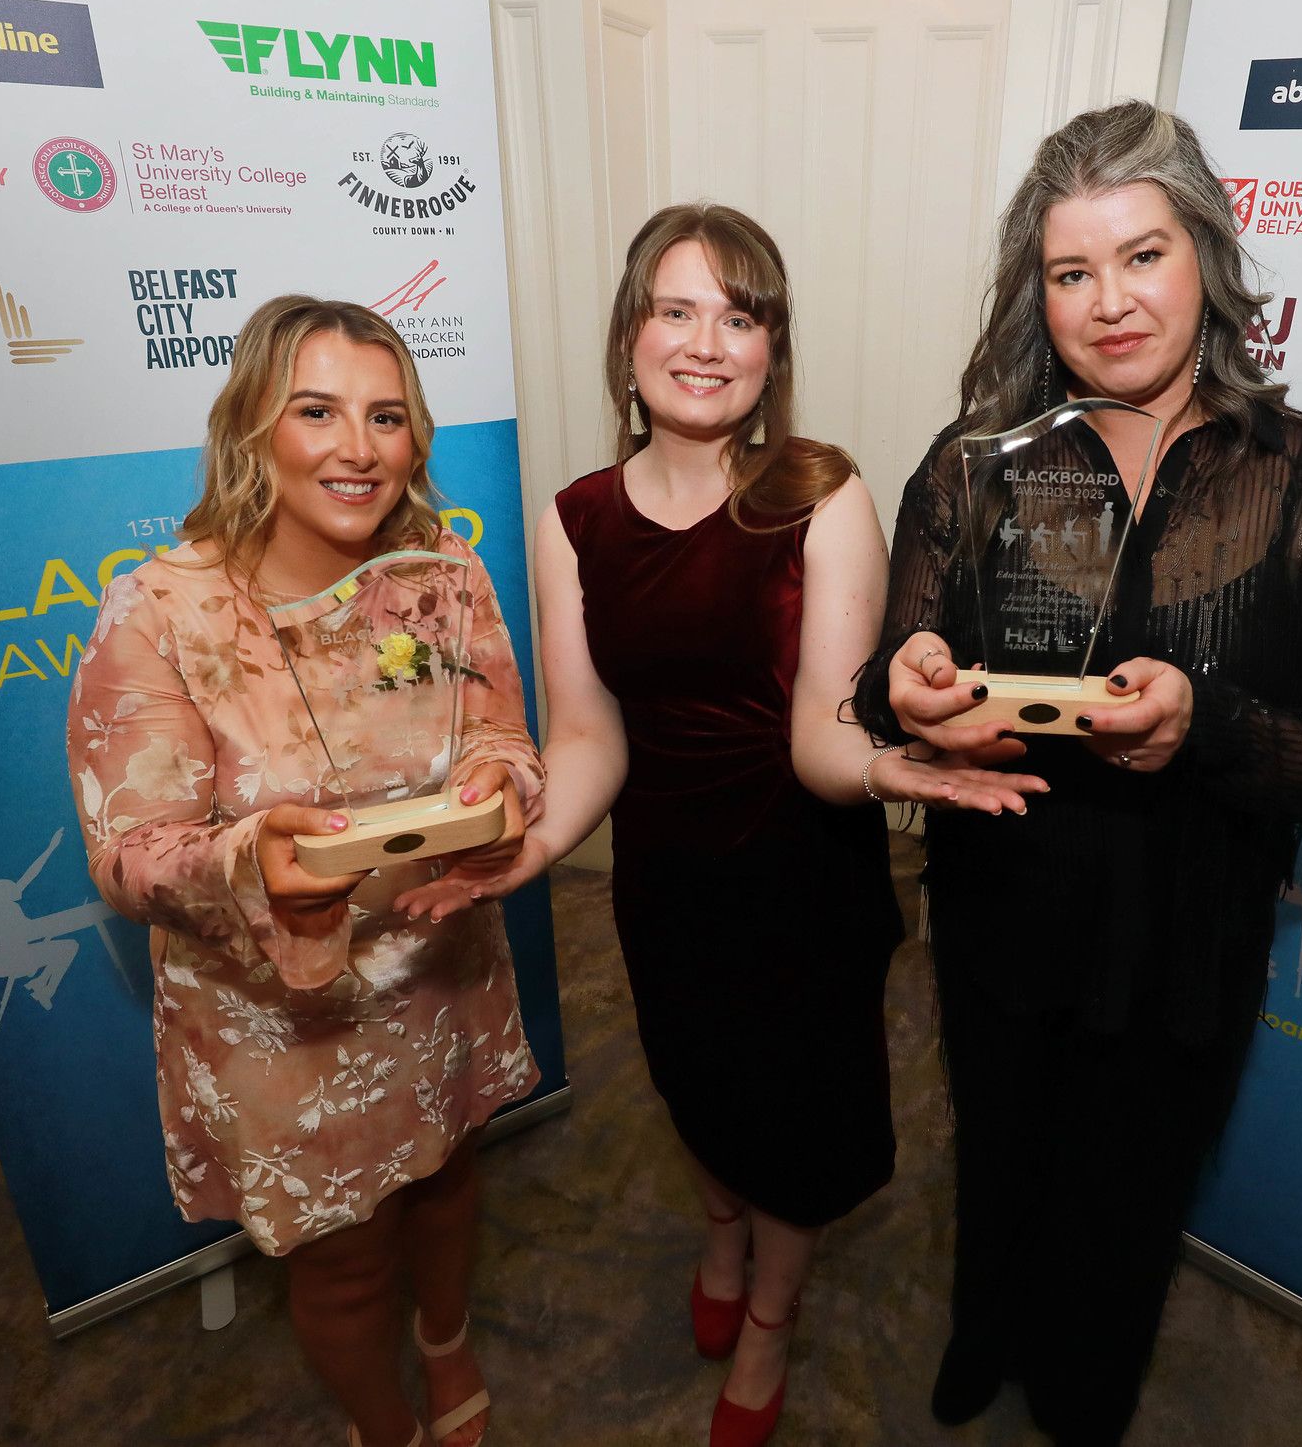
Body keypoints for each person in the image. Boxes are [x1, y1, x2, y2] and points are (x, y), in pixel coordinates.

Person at [402, 203, 1042, 1447]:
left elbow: (822, 732)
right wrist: (530, 850)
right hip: (663, 878)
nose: (706, 342)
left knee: (794, 1122)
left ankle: (771, 1313)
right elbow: (589, 735)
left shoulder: (821, 491)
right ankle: (718, 1231)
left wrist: (893, 774)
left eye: (737, 315)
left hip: (801, 879)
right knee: (694, 1087)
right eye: (676, 309)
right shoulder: (575, 516)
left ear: (769, 346)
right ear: (630, 337)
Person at [852, 102, 1302, 1442]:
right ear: (1032, 292)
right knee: (997, 1152)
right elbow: (884, 676)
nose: (1111, 302)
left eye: (1143, 256)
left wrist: (1203, 719)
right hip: (1001, 902)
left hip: (1185, 930)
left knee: (1128, 1193)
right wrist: (914, 694)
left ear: (1206, 256)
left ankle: (1082, 1392)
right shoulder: (979, 464)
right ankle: (981, 1333)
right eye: (1071, 271)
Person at [68, 295, 543, 1447]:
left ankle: (444, 1342)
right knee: (341, 1268)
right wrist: (250, 862)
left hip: (438, 961)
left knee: (445, 1189)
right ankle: (384, 1424)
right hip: (280, 1018)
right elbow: (128, 852)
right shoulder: (160, 612)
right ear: (251, 428)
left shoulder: (446, 581)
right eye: (317, 410)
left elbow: (499, 738)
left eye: (386, 416)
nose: (357, 447)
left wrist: (497, 792)